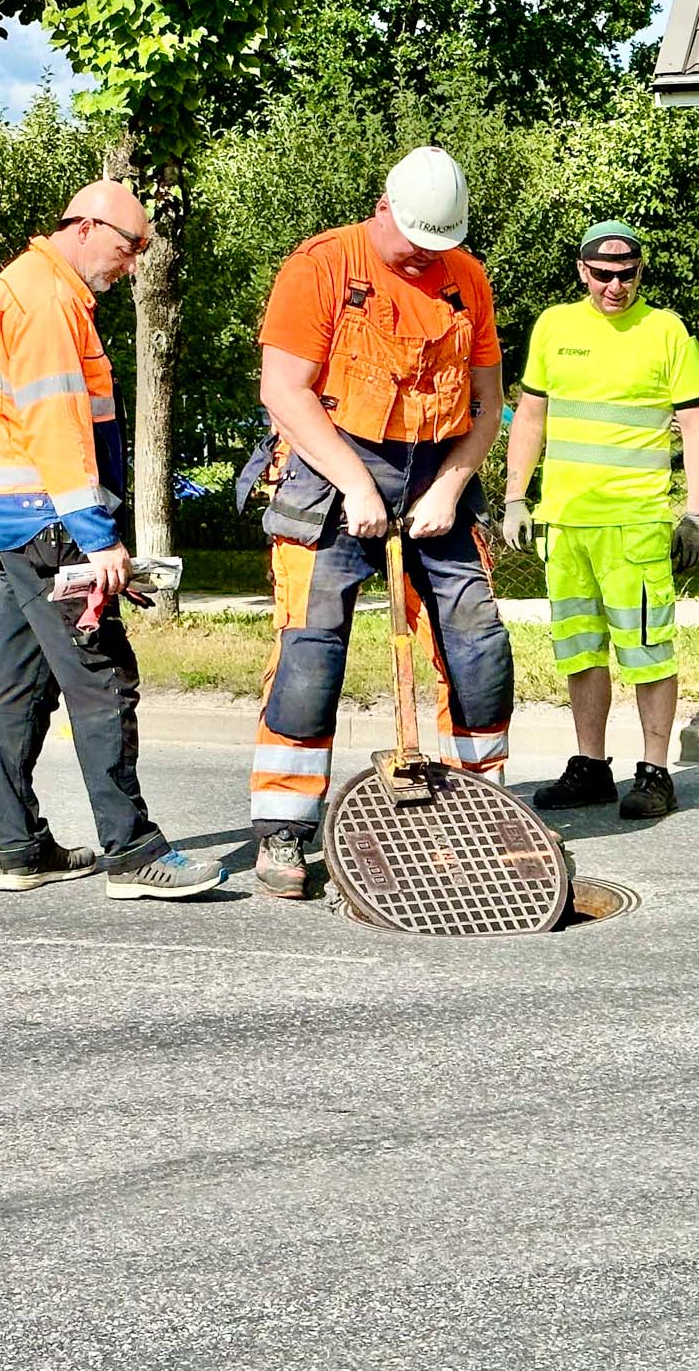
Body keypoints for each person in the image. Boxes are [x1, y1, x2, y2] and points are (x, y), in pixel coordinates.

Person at [246, 146, 514, 897]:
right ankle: (283, 833)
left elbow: (488, 406)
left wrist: (450, 488)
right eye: (417, 243)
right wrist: (358, 487)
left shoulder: (467, 278)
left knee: (478, 646)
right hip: (332, 464)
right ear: (385, 207)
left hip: (438, 471)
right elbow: (284, 392)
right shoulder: (322, 266)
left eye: (444, 245)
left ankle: (479, 816)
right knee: (310, 652)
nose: (430, 259)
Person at [0, 180, 226, 901]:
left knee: (18, 692)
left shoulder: (30, 288)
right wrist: (97, 538)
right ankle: (133, 852)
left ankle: (21, 849)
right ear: (84, 228)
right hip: (54, 528)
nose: (133, 263)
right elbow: (56, 431)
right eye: (128, 246)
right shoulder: (48, 302)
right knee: (103, 684)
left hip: (19, 523)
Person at [501, 221, 699, 819]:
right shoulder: (554, 326)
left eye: (626, 274)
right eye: (602, 275)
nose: (615, 286)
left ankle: (655, 772)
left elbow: (697, 427)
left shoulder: (665, 330)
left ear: (640, 272)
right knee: (579, 648)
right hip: (565, 526)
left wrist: (696, 513)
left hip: (636, 525)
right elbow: (532, 418)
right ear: (581, 270)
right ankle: (591, 766)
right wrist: (518, 497)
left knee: (648, 650)